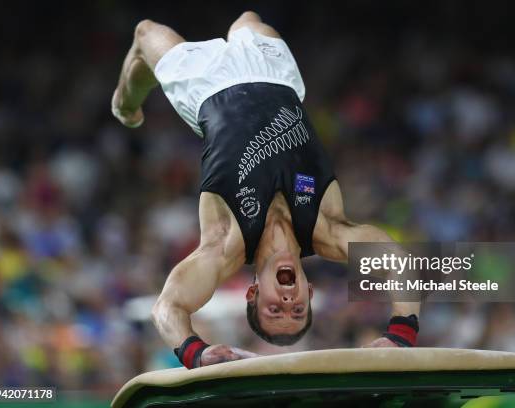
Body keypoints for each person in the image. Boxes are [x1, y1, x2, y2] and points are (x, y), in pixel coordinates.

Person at [111, 11, 420, 369]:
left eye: (276, 308)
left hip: (207, 87)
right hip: (275, 78)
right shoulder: (327, 229)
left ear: (254, 292)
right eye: (298, 307)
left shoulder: (225, 244)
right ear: (309, 292)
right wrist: (401, 334)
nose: (288, 299)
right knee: (247, 19)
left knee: (147, 32)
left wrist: (195, 353)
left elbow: (167, 307)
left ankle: (124, 102)